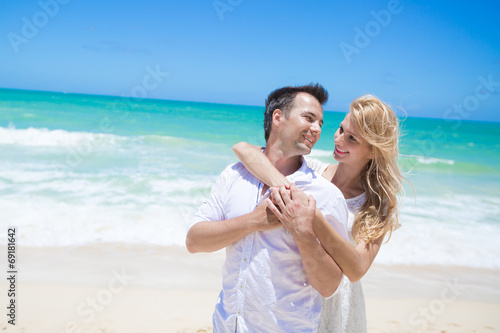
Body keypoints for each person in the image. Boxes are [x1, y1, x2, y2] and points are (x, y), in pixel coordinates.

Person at [233, 94, 405, 332]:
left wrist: (313, 216)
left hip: (338, 304)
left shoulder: (376, 204)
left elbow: (356, 269)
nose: (339, 139)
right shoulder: (311, 171)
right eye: (341, 129)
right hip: (295, 290)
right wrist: (290, 191)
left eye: (352, 138)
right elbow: (243, 149)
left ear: (373, 151)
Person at [186, 84, 350, 332]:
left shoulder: (325, 196)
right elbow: (194, 241)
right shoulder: (234, 175)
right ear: (278, 117)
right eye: (309, 118)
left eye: (320, 124)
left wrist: (302, 233)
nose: (317, 129)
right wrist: (254, 221)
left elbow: (330, 286)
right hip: (225, 324)